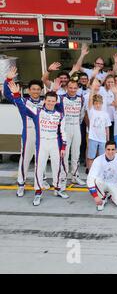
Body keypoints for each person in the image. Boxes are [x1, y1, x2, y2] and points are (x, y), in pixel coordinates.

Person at [7, 79, 68, 206]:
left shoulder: (59, 114)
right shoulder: (37, 111)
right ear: (44, 101)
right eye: (48, 100)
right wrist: (17, 94)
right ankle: (36, 191)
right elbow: (23, 109)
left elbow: (62, 131)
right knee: (37, 167)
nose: (50, 102)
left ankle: (57, 188)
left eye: (53, 100)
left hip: (54, 144)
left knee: (57, 167)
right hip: (40, 142)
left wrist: (63, 146)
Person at [3, 67, 46, 196]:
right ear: (28, 90)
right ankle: (21, 184)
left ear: (41, 90)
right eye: (33, 89)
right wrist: (8, 79)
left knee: (41, 158)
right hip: (28, 134)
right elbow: (6, 94)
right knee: (25, 159)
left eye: (38, 89)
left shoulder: (45, 102)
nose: (36, 91)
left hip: (42, 134)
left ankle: (41, 180)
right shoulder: (22, 100)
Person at [55, 79, 86, 186]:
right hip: (65, 128)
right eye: (70, 87)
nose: (72, 90)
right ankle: (63, 176)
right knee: (65, 153)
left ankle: (75, 176)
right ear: (67, 87)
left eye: (75, 88)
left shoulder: (81, 98)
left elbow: (82, 114)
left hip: (76, 127)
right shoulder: (61, 98)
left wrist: (77, 124)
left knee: (76, 153)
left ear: (77, 88)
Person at [86, 141, 117, 211]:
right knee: (96, 180)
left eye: (113, 149)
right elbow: (90, 179)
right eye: (108, 149)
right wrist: (95, 196)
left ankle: (110, 194)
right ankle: (102, 198)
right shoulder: (98, 160)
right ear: (105, 150)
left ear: (116, 150)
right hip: (102, 183)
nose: (110, 152)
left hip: (115, 184)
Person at [87, 91, 111, 171]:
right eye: (96, 103)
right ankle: (90, 172)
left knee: (102, 157)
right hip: (93, 138)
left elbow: (107, 127)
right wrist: (93, 88)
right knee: (91, 156)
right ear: (93, 104)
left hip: (103, 139)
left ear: (102, 103)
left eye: (99, 103)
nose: (98, 105)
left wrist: (108, 139)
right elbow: (90, 99)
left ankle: (101, 172)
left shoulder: (105, 114)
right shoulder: (92, 112)